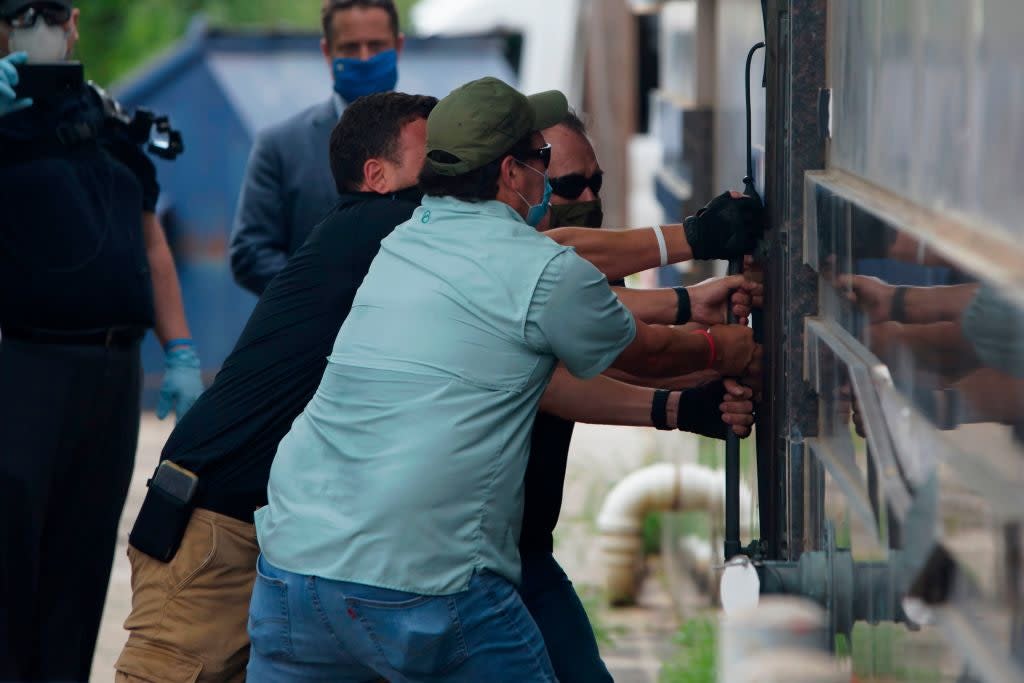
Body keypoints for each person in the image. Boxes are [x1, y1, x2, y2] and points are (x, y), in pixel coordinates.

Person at [114, 91, 758, 682]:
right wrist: (707, 296)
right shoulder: (393, 232)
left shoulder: (415, 244)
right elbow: (560, 273)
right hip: (219, 537)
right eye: (434, 160)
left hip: (301, 553)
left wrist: (682, 314)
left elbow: (551, 290)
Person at [0, 2, 203, 680]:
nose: (40, 25)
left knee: (82, 560)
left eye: (51, 11)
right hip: (25, 362)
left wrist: (180, 350)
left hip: (115, 371)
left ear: (76, 22)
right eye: (20, 12)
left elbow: (153, 244)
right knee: (11, 559)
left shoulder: (109, 121)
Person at [520, 110, 761, 682]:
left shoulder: (568, 271)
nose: (587, 197)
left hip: (522, 548)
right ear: (520, 181)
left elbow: (625, 353)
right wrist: (706, 335)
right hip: (467, 563)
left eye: (595, 182)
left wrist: (711, 380)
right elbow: (586, 363)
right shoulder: (510, 262)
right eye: (568, 185)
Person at [229, 0, 405, 294]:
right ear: (327, 52)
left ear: (398, 46)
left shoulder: (438, 138)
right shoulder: (280, 147)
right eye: (350, 48)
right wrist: (322, 294)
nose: (364, 59)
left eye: (376, 46)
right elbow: (251, 253)